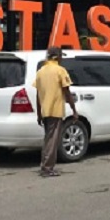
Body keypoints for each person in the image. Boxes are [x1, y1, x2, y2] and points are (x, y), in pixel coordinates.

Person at [33, 46, 78, 177]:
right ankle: (47, 168)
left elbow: (38, 94)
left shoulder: (41, 71)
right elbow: (67, 91)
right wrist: (74, 109)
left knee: (48, 139)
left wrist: (39, 113)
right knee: (52, 140)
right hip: (55, 110)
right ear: (57, 56)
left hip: (45, 110)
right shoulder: (60, 71)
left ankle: (45, 165)